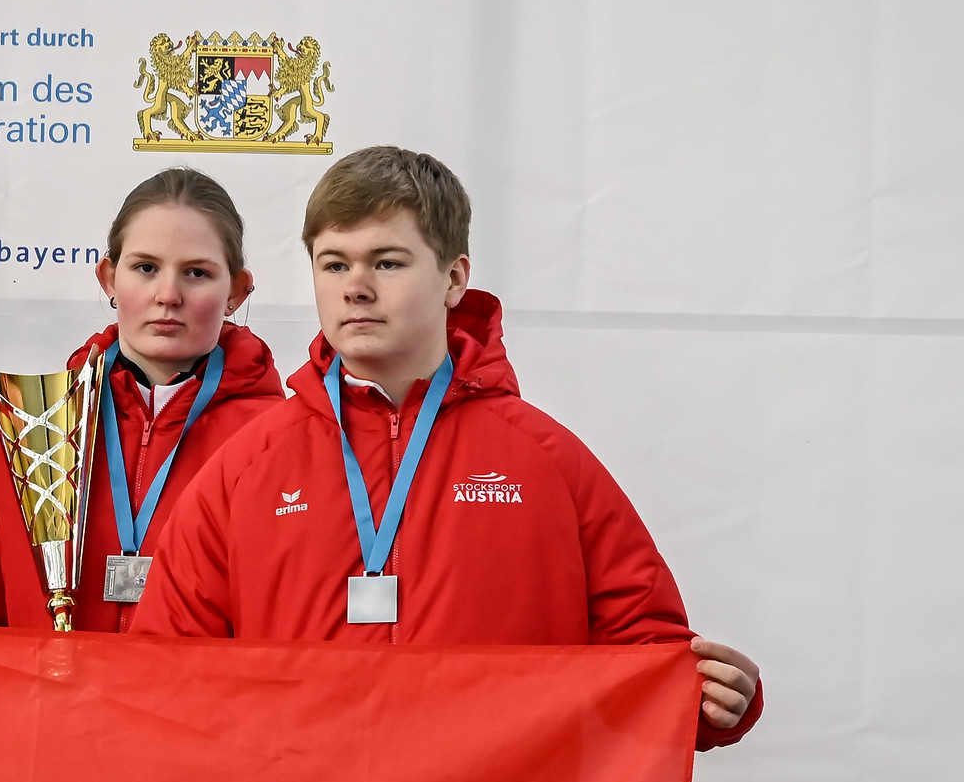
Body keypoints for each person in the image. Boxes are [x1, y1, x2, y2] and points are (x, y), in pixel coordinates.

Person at [132, 146, 761, 746]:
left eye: (387, 262)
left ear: (454, 278)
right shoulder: (247, 467)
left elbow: (645, 646)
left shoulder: (546, 459)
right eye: (334, 263)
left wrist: (712, 702)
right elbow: (165, 673)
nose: (356, 287)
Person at [0, 168, 286, 631]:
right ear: (108, 278)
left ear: (236, 291)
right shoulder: (27, 428)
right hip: (45, 703)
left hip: (194, 704)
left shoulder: (277, 444)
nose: (167, 295)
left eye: (196, 273)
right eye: (145, 268)